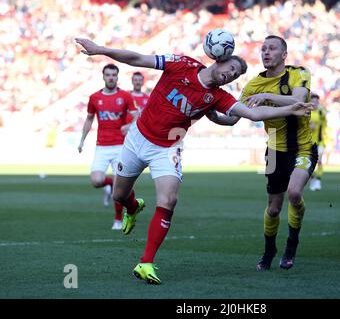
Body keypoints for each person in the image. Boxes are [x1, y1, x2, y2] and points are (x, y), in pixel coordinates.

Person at [75, 37, 314, 285]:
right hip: (137, 138)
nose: (229, 76)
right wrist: (100, 50)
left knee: (169, 199)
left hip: (168, 148)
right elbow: (137, 59)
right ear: (219, 60)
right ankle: (133, 207)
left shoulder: (218, 97)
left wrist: (290, 109)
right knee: (119, 195)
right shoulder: (181, 63)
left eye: (234, 76)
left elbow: (253, 113)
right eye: (230, 69)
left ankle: (146, 262)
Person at [206, 35, 318, 271]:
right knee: (274, 208)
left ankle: (291, 244)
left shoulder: (300, 72)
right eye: (263, 49)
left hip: (303, 146)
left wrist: (267, 97)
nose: (266, 52)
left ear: (283, 55)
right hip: (275, 148)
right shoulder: (253, 86)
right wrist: (213, 115)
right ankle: (269, 251)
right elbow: (232, 119)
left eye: (272, 48)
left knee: (295, 193)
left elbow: (298, 101)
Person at [78, 63, 138, 230]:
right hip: (102, 146)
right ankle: (111, 184)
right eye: (108, 75)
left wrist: (130, 126)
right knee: (96, 181)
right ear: (103, 77)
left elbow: (136, 116)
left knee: (119, 189)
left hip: (120, 146)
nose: (111, 78)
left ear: (117, 77)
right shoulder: (95, 97)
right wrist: (82, 139)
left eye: (114, 75)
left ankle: (118, 220)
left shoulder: (125, 96)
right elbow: (89, 119)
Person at [308, 93, 327, 191]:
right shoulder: (306, 112)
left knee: (319, 161)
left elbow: (325, 126)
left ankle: (318, 180)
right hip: (308, 143)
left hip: (319, 142)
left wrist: (326, 139)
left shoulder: (321, 113)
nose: (315, 103)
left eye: (316, 101)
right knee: (310, 164)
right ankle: (313, 179)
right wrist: (308, 127)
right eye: (313, 101)